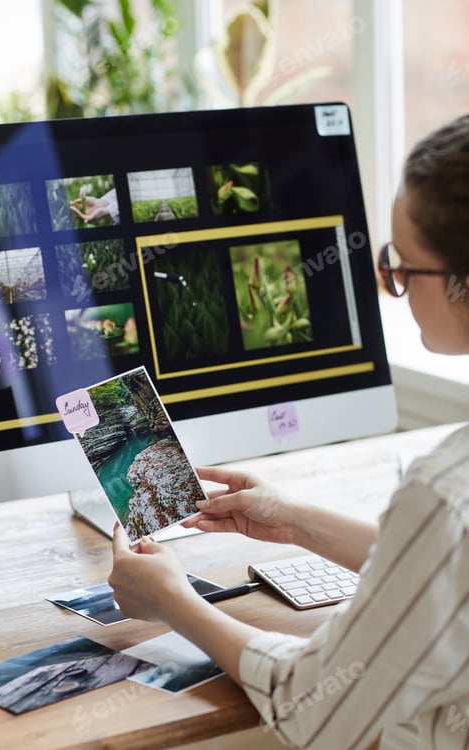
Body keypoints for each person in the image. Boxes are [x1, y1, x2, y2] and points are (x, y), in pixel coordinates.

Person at [109, 115, 469, 750]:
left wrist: (177, 603)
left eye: (404, 269)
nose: (394, 288)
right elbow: (444, 574)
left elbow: (317, 708)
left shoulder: (444, 489)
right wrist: (294, 522)